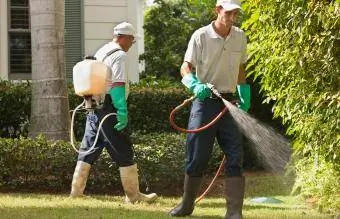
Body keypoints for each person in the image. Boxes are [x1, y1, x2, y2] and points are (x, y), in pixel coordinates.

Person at [169, 0, 250, 218]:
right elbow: (185, 67)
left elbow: (241, 68)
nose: (233, 17)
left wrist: (244, 91)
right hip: (204, 102)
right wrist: (194, 84)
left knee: (235, 155)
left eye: (236, 13)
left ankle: (234, 212)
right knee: (197, 156)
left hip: (229, 103)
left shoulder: (240, 36)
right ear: (218, 10)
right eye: (229, 12)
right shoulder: (201, 36)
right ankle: (187, 206)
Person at [70, 22, 158, 204]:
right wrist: (122, 110)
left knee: (88, 149)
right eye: (132, 40)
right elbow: (117, 84)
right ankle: (133, 196)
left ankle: (76, 193)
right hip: (110, 107)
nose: (132, 44)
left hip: (93, 105)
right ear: (124, 38)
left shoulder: (102, 50)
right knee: (123, 148)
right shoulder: (119, 55)